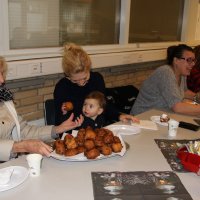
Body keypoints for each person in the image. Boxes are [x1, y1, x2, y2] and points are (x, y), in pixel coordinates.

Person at [0, 56, 84, 162]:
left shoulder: (5, 100)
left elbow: (24, 131)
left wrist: (57, 129)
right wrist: (20, 146)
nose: (2, 80)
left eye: (2, 73)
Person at [54, 43, 138, 127]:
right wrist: (64, 114)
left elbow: (103, 106)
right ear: (67, 75)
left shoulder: (96, 79)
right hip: (75, 131)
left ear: (89, 68)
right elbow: (60, 123)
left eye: (85, 78)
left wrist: (119, 115)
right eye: (75, 80)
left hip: (99, 127)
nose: (81, 83)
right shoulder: (62, 87)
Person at [130, 44, 200, 116]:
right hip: (142, 117)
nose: (193, 64)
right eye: (189, 60)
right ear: (176, 60)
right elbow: (177, 107)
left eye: (193, 60)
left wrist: (197, 98)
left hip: (160, 116)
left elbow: (184, 92)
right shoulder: (165, 72)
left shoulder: (182, 73)